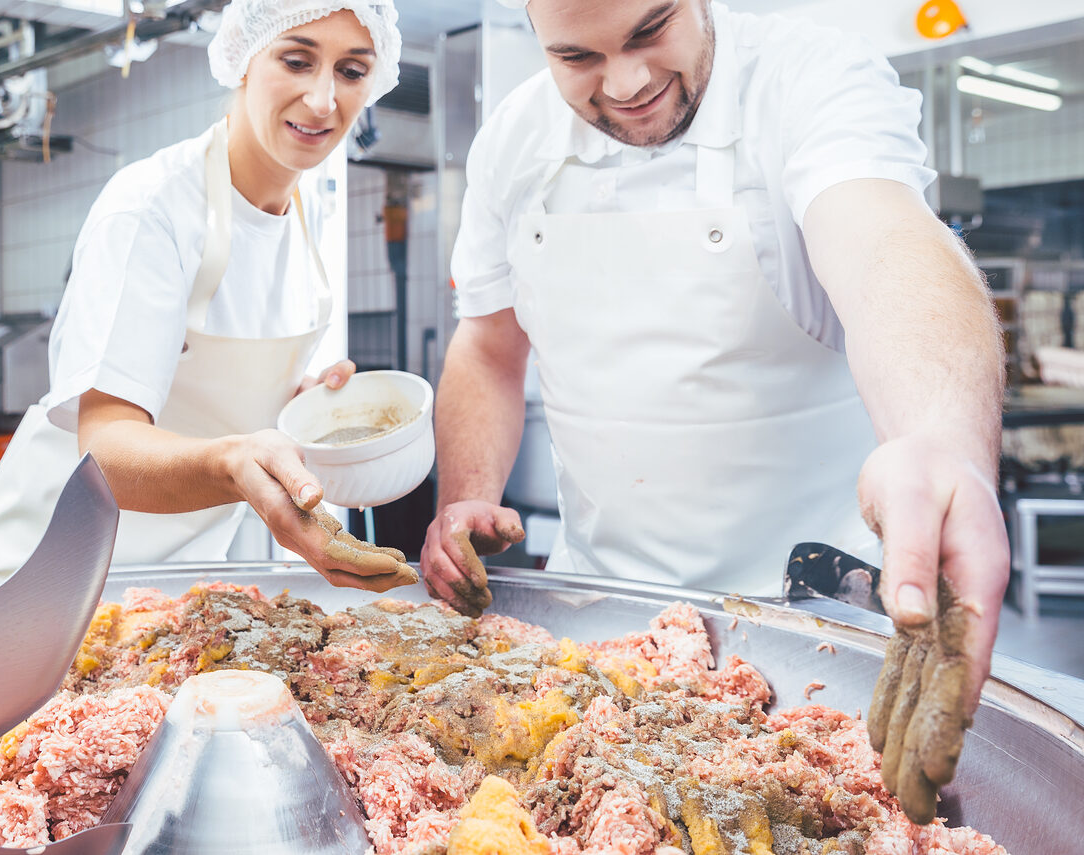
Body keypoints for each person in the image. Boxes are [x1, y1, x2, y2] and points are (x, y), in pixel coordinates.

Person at [420, 0, 1008, 719]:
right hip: (598, 624)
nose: (628, 82)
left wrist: (940, 441)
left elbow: (887, 244)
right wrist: (464, 501)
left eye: (651, 28)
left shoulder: (807, 76)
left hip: (816, 638)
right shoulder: (513, 139)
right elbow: (487, 343)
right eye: (578, 58)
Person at [0, 0, 415, 593]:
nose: (325, 100)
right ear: (245, 59)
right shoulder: (152, 207)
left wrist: (301, 411)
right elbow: (105, 451)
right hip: (43, 586)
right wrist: (233, 465)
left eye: (352, 71)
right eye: (297, 61)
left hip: (175, 588)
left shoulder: (307, 218)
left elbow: (218, 406)